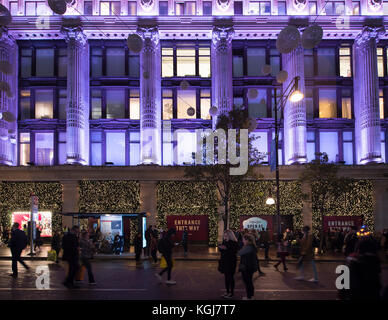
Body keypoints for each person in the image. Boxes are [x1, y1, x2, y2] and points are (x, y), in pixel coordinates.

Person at [218, 230, 239, 299]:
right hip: (224, 262)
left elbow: (234, 252)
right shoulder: (225, 242)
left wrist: (226, 248)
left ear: (230, 235)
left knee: (230, 277)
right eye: (224, 235)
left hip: (231, 262)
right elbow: (222, 251)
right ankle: (227, 292)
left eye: (226, 235)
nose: (225, 236)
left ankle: (231, 293)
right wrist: (221, 248)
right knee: (226, 277)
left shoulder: (234, 242)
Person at [238, 234, 258, 300]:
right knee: (249, 281)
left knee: (247, 282)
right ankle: (251, 295)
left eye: (243, 239)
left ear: (247, 240)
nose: (242, 241)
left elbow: (239, 253)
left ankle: (249, 297)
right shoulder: (251, 246)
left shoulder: (248, 247)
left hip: (247, 267)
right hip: (250, 266)